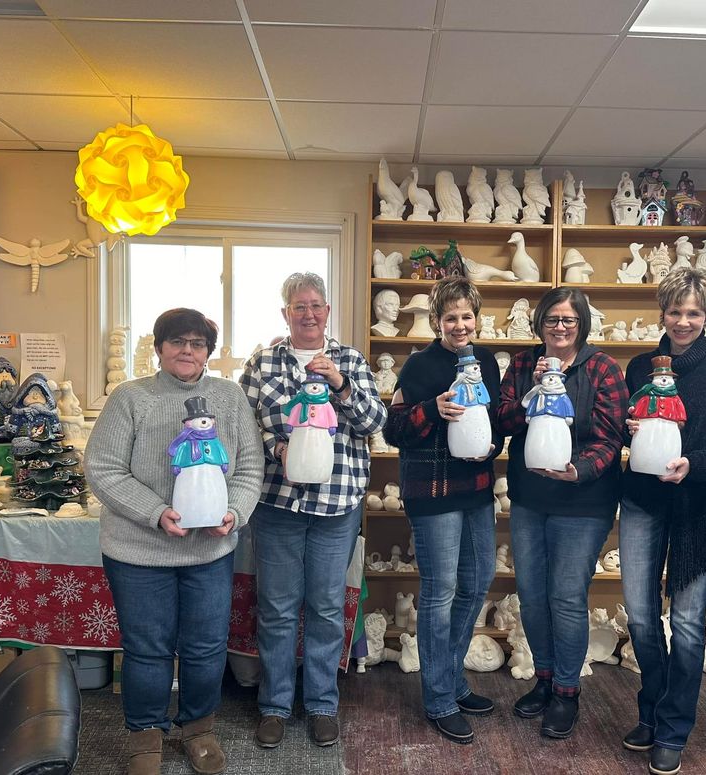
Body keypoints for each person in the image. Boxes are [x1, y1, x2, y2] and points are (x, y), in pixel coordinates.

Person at [83, 308, 264, 775]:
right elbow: (102, 468)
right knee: (147, 648)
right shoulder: (131, 398)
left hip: (208, 550)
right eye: (177, 341)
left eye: (198, 343)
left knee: (206, 646)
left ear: (208, 351)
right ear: (161, 347)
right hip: (138, 553)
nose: (188, 350)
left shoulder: (229, 397)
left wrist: (234, 512)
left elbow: (248, 467)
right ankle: (144, 736)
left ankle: (198, 729)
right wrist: (155, 513)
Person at [239, 272, 386, 749]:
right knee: (278, 608)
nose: (308, 313)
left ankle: (322, 704)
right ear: (286, 313)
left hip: (336, 505)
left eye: (316, 305)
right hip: (278, 503)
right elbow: (242, 425)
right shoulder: (262, 362)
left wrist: (340, 383)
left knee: (325, 607)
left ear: (327, 312)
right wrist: (273, 447)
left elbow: (373, 421)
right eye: (298, 306)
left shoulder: (350, 360)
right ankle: (275, 706)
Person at [618, 268, 706, 775]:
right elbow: (632, 434)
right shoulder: (638, 367)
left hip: (699, 508)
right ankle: (651, 708)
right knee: (639, 614)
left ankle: (674, 727)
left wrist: (694, 465)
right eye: (675, 311)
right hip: (643, 501)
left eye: (694, 312)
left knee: (689, 624)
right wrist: (631, 431)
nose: (683, 321)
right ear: (662, 313)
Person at [496, 287, 627, 739]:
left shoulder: (603, 368)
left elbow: (612, 438)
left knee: (567, 597)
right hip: (531, 498)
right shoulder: (520, 364)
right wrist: (532, 389)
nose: (559, 327)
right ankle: (545, 679)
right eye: (552, 319)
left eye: (568, 320)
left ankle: (567, 692)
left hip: (583, 500)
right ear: (539, 323)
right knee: (532, 595)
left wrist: (581, 469)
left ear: (582, 324)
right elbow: (502, 421)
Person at [383, 276, 502, 744]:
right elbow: (393, 429)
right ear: (436, 321)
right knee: (439, 592)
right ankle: (438, 699)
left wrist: (492, 445)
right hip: (431, 494)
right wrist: (432, 409)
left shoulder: (488, 362)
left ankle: (451, 680)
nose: (459, 324)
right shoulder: (418, 366)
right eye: (450, 317)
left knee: (476, 584)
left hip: (475, 489)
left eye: (466, 316)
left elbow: (492, 424)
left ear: (476, 318)